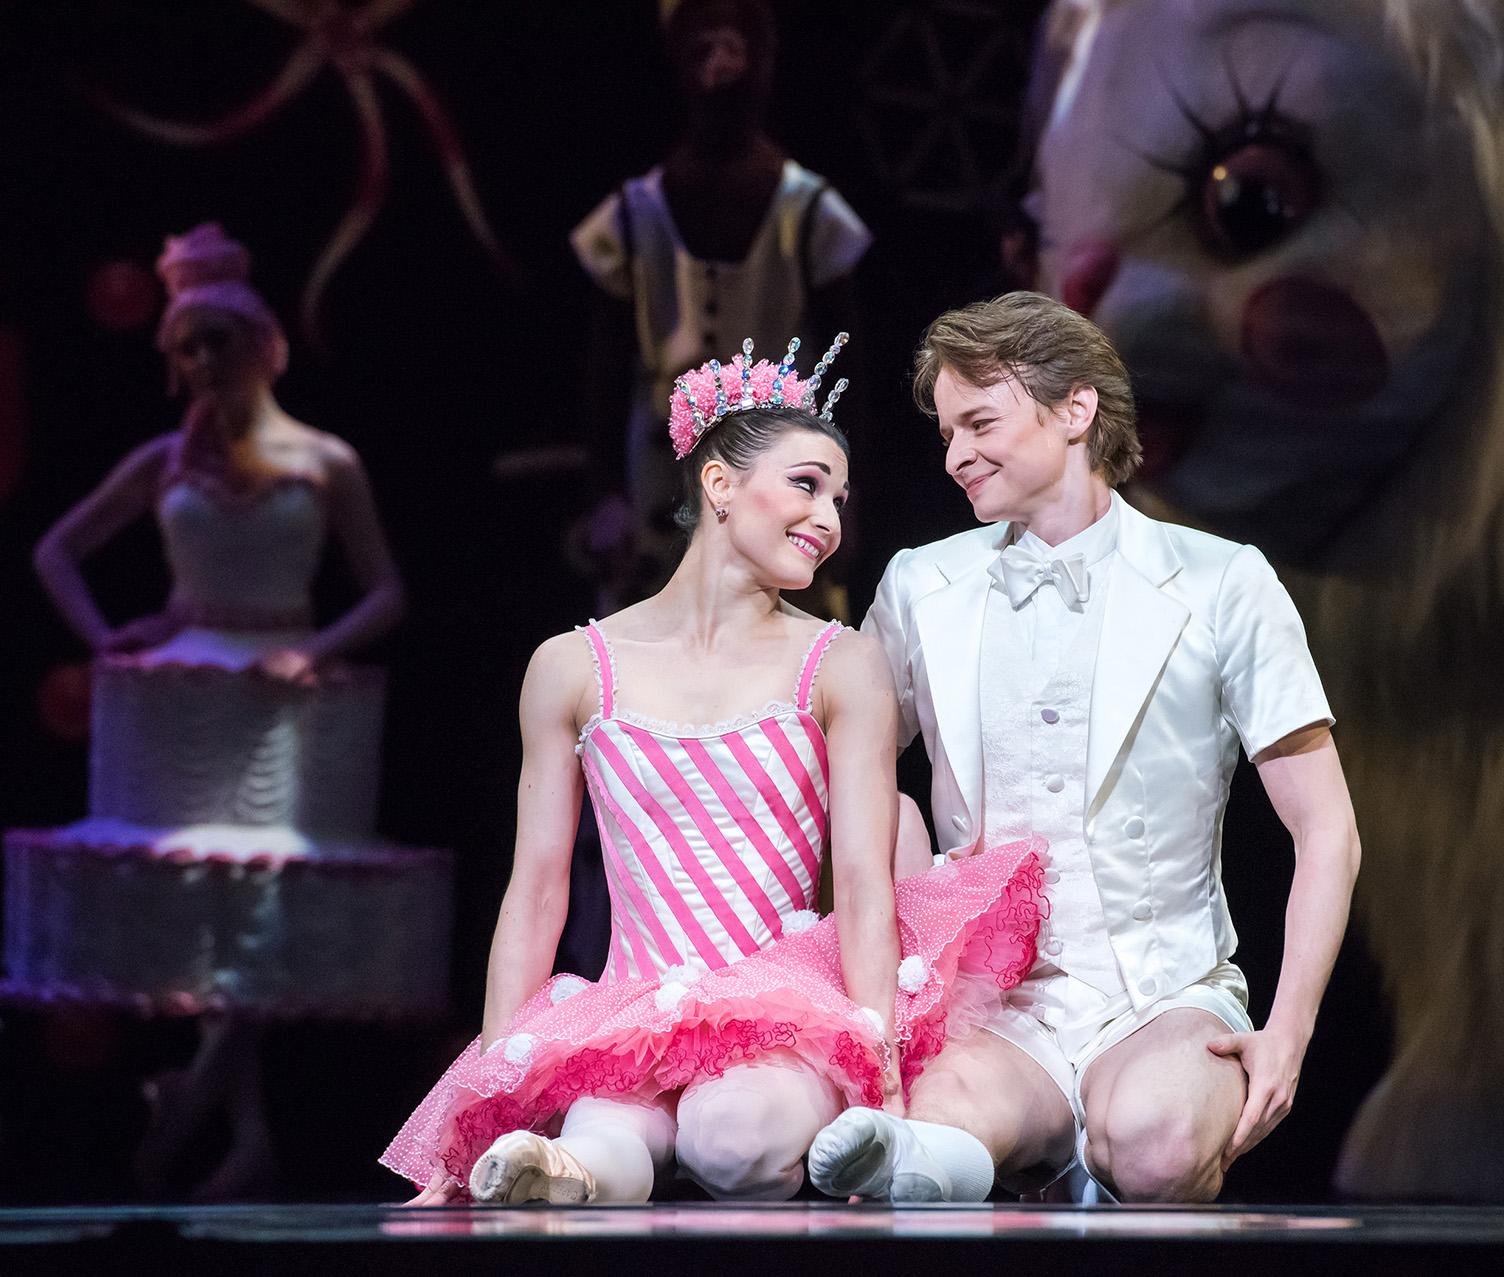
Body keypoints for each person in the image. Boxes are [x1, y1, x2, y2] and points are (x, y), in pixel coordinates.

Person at [384, 337, 1045, 1205]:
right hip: (633, 1001)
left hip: (782, 1011)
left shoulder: (838, 663)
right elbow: (537, 889)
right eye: (808, 484)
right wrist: (498, 1091)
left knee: (730, 1134)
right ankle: (567, 1174)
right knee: (603, 1128)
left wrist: (876, 1051)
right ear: (720, 485)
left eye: (840, 498)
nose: (830, 518)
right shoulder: (572, 666)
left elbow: (863, 873)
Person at [807, 292, 1361, 1203]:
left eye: (979, 421)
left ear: (1076, 408)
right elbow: (834, 771)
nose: (955, 455)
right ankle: (935, 1165)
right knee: (920, 1132)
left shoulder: (1223, 581)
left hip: (1163, 994)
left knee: (1154, 1140)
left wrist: (1289, 1031)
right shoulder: (922, 586)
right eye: (946, 432)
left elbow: (1327, 828)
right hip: (994, 1008)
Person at [28, 222, 409, 1200]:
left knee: (261, 913)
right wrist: (113, 633)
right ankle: (242, 1131)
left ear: (262, 345)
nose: (203, 362)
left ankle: (197, 1106)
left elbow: (385, 593)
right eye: (185, 347)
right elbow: (55, 550)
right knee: (210, 914)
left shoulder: (326, 459)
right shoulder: (165, 461)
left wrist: (312, 650)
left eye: (218, 342)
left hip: (283, 698)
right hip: (184, 689)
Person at [572, 0, 870, 604]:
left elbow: (849, 369)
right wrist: (605, 493)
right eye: (701, 52)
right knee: (654, 638)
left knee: (781, 632)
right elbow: (602, 370)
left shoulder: (808, 213)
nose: (717, 73)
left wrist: (845, 490)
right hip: (660, 471)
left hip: (782, 462)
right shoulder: (634, 215)